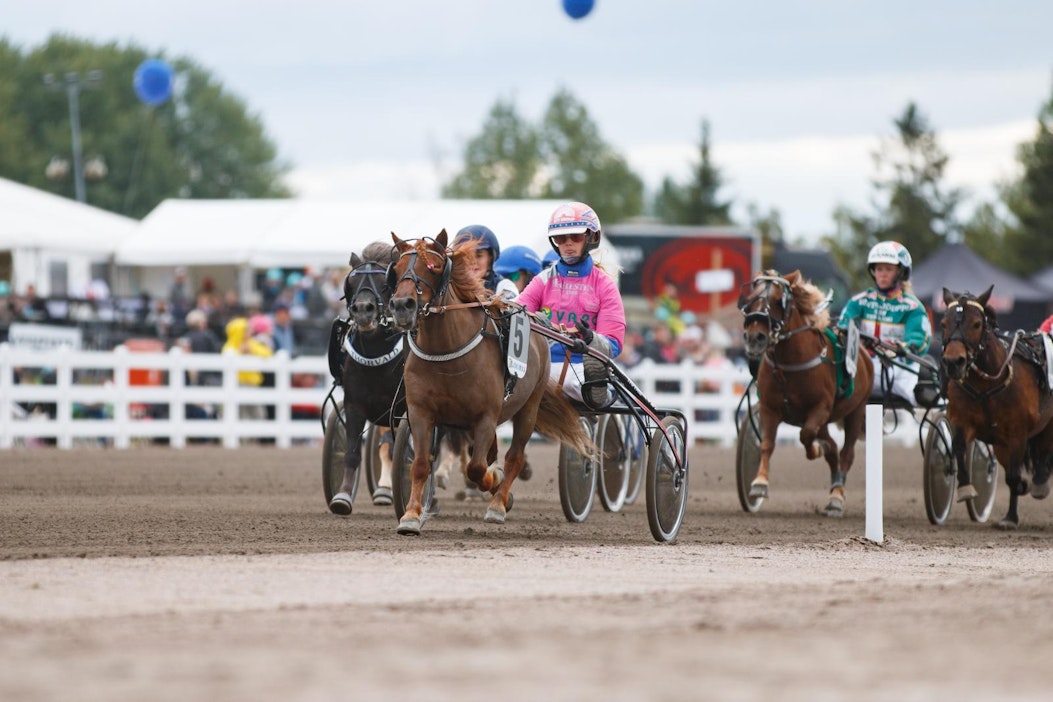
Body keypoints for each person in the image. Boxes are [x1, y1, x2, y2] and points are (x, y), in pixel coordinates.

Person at [518, 202, 626, 409]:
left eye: (575, 237)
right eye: (561, 238)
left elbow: (614, 343)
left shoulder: (605, 285)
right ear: (554, 242)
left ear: (591, 238)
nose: (568, 243)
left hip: (582, 365)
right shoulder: (543, 280)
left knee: (588, 376)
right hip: (542, 366)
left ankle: (598, 389)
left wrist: (591, 339)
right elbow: (516, 311)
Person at [837, 240, 932, 404]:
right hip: (863, 367)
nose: (882, 274)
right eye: (879, 269)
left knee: (919, 399)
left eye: (888, 269)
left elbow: (919, 339)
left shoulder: (913, 307)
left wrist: (902, 347)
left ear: (901, 272)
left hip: (900, 370)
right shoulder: (858, 302)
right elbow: (844, 324)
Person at [453, 224, 518, 298]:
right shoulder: (449, 288)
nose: (473, 262)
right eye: (467, 256)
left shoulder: (504, 286)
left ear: (490, 258)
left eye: (479, 256)